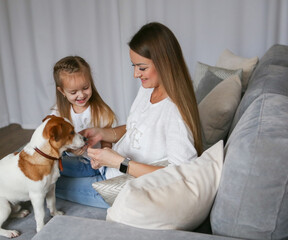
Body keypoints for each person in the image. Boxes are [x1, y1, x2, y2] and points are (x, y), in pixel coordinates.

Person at [59, 22, 202, 208]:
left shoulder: (174, 112)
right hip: (105, 166)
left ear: (164, 63)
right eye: (134, 66)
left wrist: (119, 162)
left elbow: (179, 175)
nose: (135, 74)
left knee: (44, 183)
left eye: (142, 68)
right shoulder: (148, 88)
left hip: (115, 187)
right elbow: (134, 127)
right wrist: (103, 133)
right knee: (37, 162)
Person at [51, 56, 117, 207]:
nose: (81, 95)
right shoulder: (58, 112)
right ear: (62, 91)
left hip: (91, 165)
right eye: (73, 92)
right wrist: (69, 149)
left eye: (85, 88)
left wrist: (101, 158)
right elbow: (56, 144)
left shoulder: (101, 112)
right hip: (70, 160)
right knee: (43, 160)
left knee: (48, 173)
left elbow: (108, 142)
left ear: (91, 83)